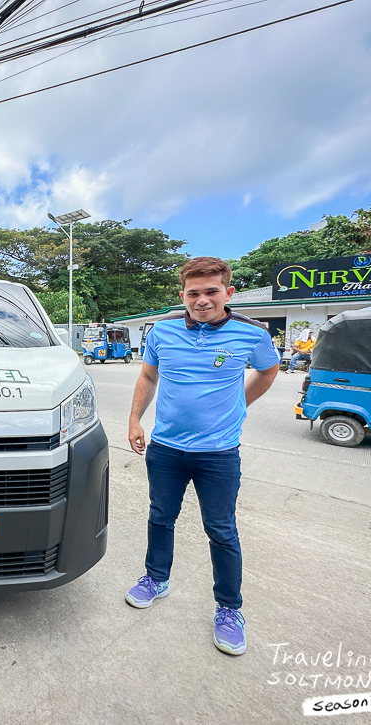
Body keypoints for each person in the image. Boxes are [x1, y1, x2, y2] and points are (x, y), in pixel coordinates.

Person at [126, 257, 280, 656]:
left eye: (212, 291)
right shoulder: (162, 331)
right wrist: (134, 420)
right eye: (193, 293)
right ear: (183, 295)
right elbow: (148, 376)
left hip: (218, 454)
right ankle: (155, 579)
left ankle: (229, 609)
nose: (202, 300)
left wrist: (240, 405)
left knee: (222, 530)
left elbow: (268, 370)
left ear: (228, 292)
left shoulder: (252, 333)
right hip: (166, 449)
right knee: (161, 516)